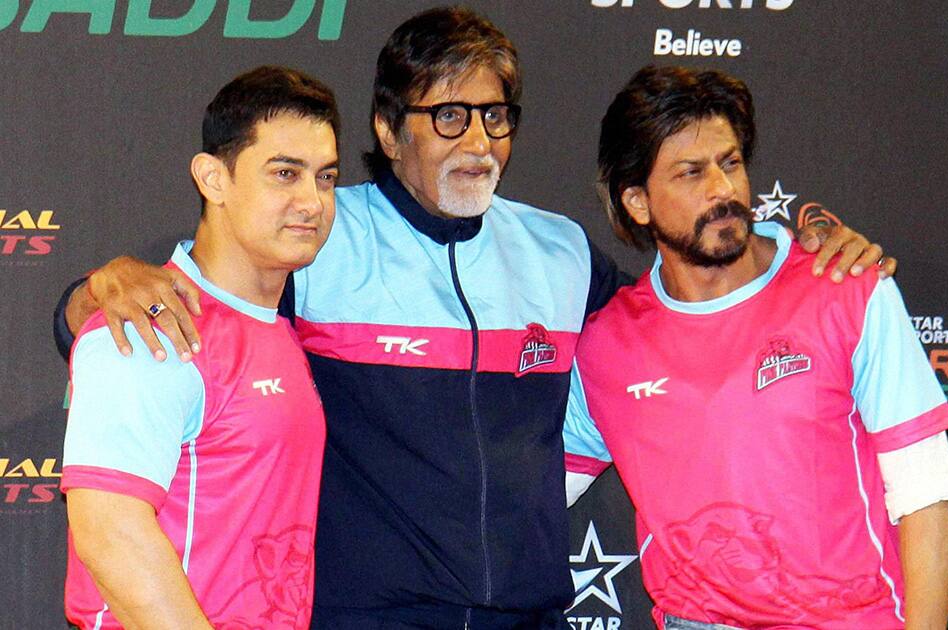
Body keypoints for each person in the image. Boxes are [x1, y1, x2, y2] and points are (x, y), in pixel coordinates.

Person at [54, 8, 891, 629]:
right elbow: (192, 302)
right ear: (390, 128)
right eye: (448, 116)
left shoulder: (559, 251)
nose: (478, 141)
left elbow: (683, 313)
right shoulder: (319, 233)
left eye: (497, 117)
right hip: (364, 616)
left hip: (527, 612)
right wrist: (95, 289)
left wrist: (791, 249)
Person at [563, 65, 948, 630]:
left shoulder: (847, 287)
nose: (723, 190)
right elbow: (530, 491)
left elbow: (927, 491)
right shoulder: (606, 347)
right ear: (637, 202)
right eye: (690, 173)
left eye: (730, 163)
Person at [60, 66, 339, 629]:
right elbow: (109, 531)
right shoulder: (150, 324)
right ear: (213, 179)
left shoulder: (275, 327)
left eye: (325, 177)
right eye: (284, 174)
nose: (312, 201)